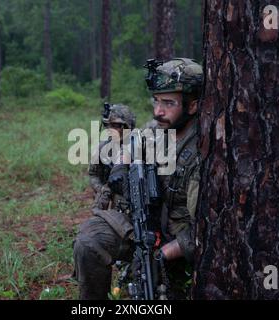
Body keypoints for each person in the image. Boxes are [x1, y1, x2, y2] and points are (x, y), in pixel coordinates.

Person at [73, 58, 204, 300]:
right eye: (156, 101)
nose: (158, 111)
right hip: (140, 225)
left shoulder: (202, 151)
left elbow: (204, 230)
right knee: (88, 242)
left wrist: (164, 253)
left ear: (193, 106)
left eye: (168, 103)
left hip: (176, 242)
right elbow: (133, 143)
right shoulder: (157, 129)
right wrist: (122, 166)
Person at [89, 104, 136, 210]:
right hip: (113, 197)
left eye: (115, 125)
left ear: (127, 127)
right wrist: (102, 189)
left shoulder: (140, 146)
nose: (110, 129)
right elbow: (93, 174)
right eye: (108, 125)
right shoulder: (102, 148)